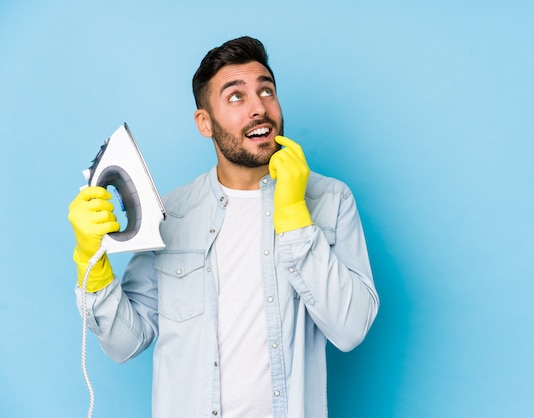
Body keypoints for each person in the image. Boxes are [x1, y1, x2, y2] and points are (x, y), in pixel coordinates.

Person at [68, 36, 379, 418]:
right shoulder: (174, 215)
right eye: (236, 96)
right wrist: (90, 260)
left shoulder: (331, 200)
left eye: (266, 91)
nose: (258, 108)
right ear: (205, 122)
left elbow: (350, 329)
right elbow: (123, 343)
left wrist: (296, 215)